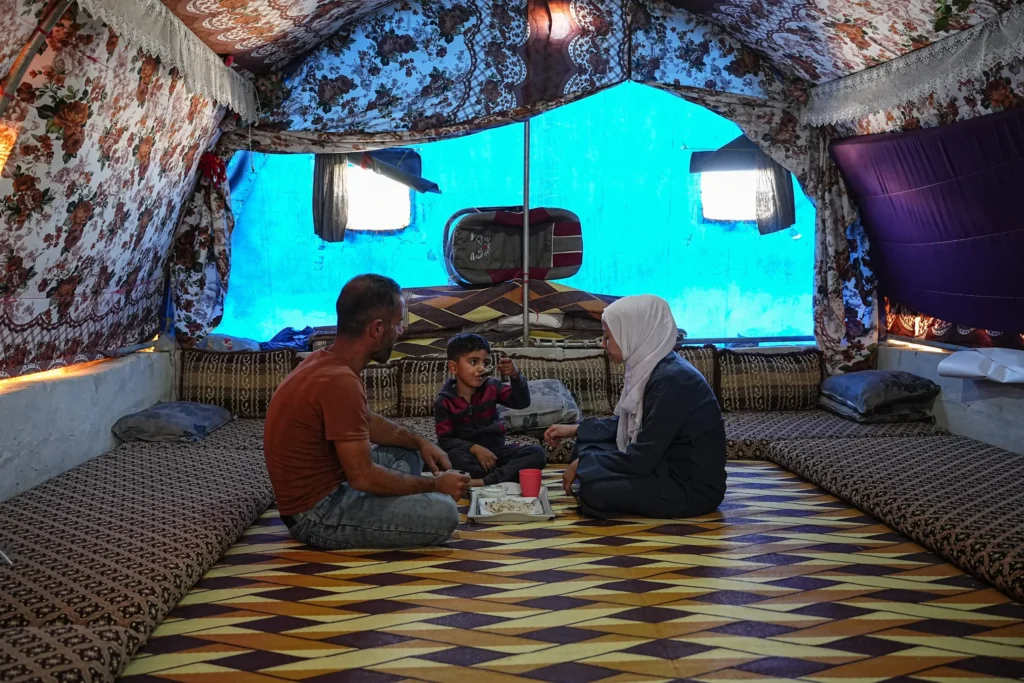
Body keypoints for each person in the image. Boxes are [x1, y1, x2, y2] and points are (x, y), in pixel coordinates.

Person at [263, 274, 471, 550]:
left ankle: (393, 501)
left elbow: (365, 420)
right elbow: (363, 477)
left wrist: (421, 442)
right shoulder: (339, 381)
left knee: (407, 452)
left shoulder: (326, 360)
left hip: (337, 483)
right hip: (316, 514)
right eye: (397, 324)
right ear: (376, 329)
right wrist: (435, 486)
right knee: (444, 513)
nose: (400, 332)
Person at [544, 295, 726, 519]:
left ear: (632, 333)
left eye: (607, 337)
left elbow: (642, 458)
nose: (603, 344)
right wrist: (576, 430)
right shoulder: (651, 368)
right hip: (661, 464)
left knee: (595, 490)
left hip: (687, 486)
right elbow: (631, 424)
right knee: (586, 444)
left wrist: (583, 464)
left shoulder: (674, 380)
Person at [434, 333, 546, 487]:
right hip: (468, 455)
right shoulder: (444, 400)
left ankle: (484, 481)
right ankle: (504, 475)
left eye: (485, 363)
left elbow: (521, 402)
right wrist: (474, 448)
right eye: (473, 362)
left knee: (536, 453)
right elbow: (445, 440)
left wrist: (515, 376)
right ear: (453, 367)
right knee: (453, 458)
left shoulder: (492, 386)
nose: (482, 368)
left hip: (497, 452)